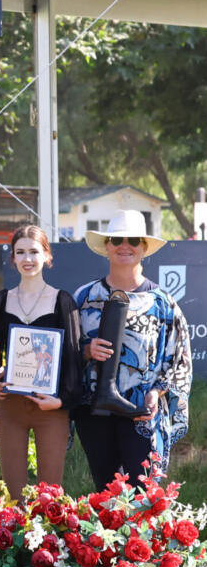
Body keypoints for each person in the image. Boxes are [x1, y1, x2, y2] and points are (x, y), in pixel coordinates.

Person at [73, 210, 192, 490]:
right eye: (117, 239)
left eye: (134, 240)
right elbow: (63, 350)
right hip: (94, 413)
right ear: (106, 246)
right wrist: (86, 350)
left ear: (145, 248)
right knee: (105, 494)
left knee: (145, 498)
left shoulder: (163, 304)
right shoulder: (84, 297)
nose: (124, 245)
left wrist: (156, 391)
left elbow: (180, 360)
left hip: (142, 412)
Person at [0, 224, 83, 500]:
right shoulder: (1, 301)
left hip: (50, 408)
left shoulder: (62, 301)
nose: (27, 259)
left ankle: (48, 544)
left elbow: (74, 359)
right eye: (20, 252)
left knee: (49, 497)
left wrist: (62, 401)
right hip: (11, 408)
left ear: (47, 256)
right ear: (13, 258)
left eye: (34, 251)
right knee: (13, 496)